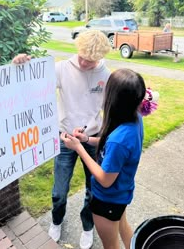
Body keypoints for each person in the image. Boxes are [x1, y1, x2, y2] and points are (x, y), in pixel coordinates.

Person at [12, 30, 111, 249]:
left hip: (91, 138)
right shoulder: (62, 69)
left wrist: (94, 135)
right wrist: (21, 65)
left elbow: (109, 111)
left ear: (100, 57)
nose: (85, 63)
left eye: (91, 60)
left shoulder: (106, 75)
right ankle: (57, 221)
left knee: (93, 189)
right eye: (82, 56)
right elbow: (32, 86)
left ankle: (87, 226)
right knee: (59, 190)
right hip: (65, 137)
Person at [61, 68, 147, 249]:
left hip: (108, 199)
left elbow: (105, 179)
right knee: (124, 228)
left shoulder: (119, 140)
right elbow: (111, 144)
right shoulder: (135, 119)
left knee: (111, 245)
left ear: (114, 100)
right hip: (121, 194)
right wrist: (86, 140)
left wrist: (78, 148)